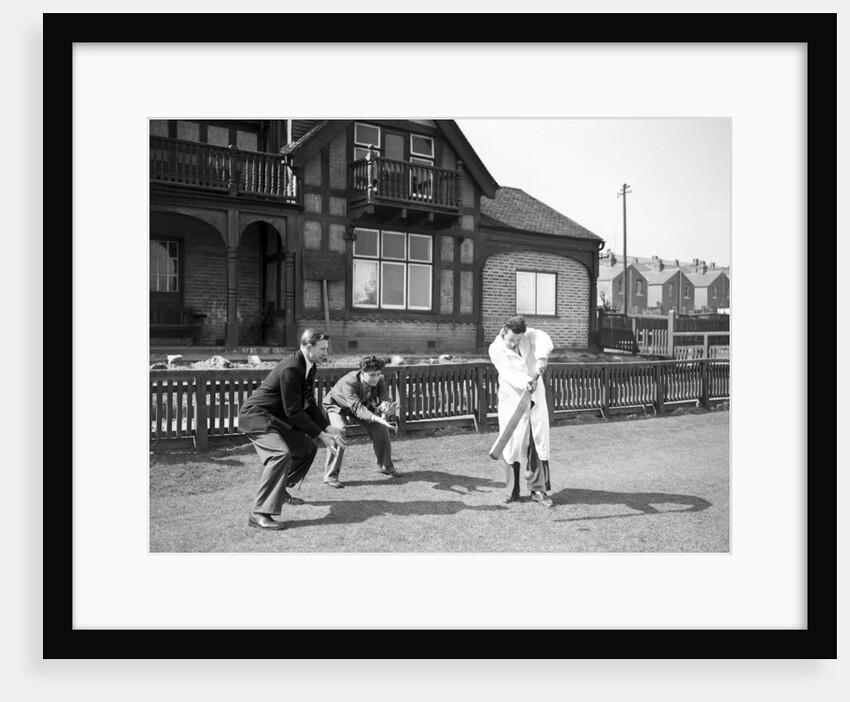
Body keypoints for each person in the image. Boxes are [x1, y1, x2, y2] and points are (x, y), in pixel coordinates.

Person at [238, 329, 345, 530]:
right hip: (257, 417)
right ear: (308, 346)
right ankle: (258, 513)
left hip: (275, 417)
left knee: (307, 448)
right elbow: (294, 412)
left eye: (326, 348)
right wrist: (321, 435)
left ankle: (280, 490)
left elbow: (309, 404)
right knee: (280, 454)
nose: (326, 353)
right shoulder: (291, 368)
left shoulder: (309, 365)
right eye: (322, 349)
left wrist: (328, 427)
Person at [488, 315, 555, 508]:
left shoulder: (529, 336)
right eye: (511, 339)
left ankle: (538, 490)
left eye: (517, 340)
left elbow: (543, 338)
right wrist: (526, 382)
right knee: (511, 444)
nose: (513, 343)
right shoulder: (495, 349)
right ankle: (512, 491)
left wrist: (541, 357)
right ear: (503, 332)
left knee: (536, 441)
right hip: (512, 399)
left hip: (534, 399)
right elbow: (509, 373)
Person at [322, 355, 400, 488]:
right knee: (338, 431)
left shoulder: (380, 380)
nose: (376, 378)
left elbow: (382, 401)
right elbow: (356, 408)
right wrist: (377, 418)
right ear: (362, 373)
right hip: (337, 406)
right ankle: (331, 476)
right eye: (372, 375)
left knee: (380, 428)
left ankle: (385, 466)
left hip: (361, 406)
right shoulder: (349, 381)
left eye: (378, 374)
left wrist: (386, 410)